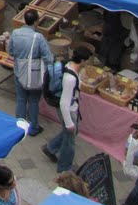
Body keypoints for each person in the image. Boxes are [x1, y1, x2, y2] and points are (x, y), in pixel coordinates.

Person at [42, 45, 91, 173]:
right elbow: (64, 102)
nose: (88, 62)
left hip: (71, 107)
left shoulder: (70, 66)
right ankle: (64, 167)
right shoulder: (70, 78)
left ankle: (51, 147)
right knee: (70, 140)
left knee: (72, 132)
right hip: (68, 109)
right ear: (82, 60)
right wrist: (69, 122)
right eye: (88, 60)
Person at [9, 9, 54, 137]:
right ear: (36, 21)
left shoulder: (15, 33)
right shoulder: (38, 37)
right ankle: (33, 127)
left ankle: (19, 127)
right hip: (35, 74)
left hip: (19, 71)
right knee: (33, 101)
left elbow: (11, 51)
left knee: (21, 99)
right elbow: (48, 58)